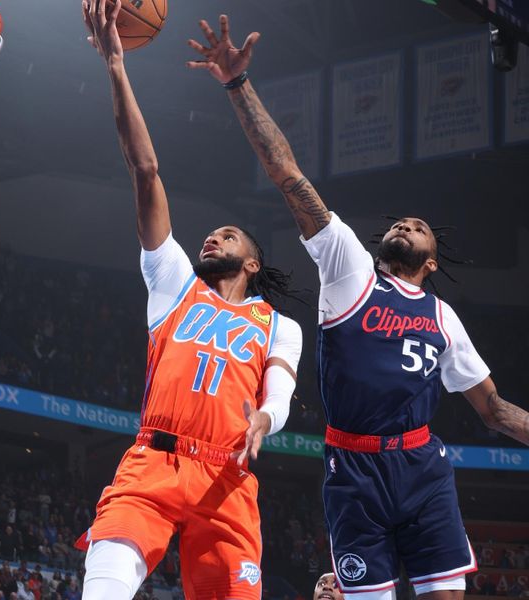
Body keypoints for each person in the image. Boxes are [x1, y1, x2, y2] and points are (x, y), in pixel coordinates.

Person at [187, 13, 529, 600]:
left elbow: (494, 411)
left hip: (423, 468)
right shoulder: (351, 270)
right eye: (400, 220)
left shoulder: (445, 318)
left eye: (419, 226)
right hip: (353, 471)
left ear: (430, 259)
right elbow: (289, 176)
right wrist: (237, 85)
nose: (407, 223)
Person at [78, 2, 303, 599]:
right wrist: (116, 66)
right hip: (153, 460)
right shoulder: (174, 283)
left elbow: (277, 394)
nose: (212, 236)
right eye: (212, 233)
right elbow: (145, 170)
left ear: (251, 263)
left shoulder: (277, 324)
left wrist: (263, 420)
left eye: (228, 235)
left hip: (227, 478)